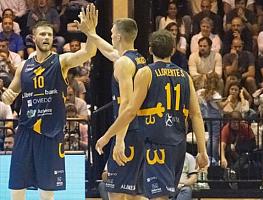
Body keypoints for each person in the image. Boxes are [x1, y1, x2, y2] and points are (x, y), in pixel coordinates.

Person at [96, 30, 208, 200]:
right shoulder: (185, 76)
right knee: (152, 195)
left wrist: (107, 136)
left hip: (156, 143)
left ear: (150, 50)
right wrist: (202, 151)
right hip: (178, 145)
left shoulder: (146, 73)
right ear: (172, 50)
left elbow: (130, 110)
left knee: (157, 197)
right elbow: (197, 115)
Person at [1, 4, 97, 200]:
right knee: (17, 188)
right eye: (42, 34)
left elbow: (89, 53)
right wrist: (7, 96)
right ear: (34, 37)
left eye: (49, 34)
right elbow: (11, 93)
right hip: (26, 131)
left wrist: (91, 33)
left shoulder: (61, 62)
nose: (46, 37)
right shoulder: (23, 67)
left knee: (47, 193)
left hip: (50, 133)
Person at [86, 6, 147, 200]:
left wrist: (118, 140)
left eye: (112, 33)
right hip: (140, 131)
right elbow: (109, 51)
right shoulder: (137, 58)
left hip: (128, 131)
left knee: (116, 193)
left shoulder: (123, 64)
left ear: (119, 36)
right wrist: (92, 34)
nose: (111, 36)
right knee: (132, 194)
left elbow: (127, 104)